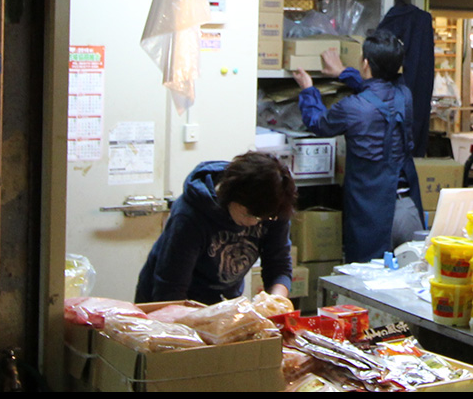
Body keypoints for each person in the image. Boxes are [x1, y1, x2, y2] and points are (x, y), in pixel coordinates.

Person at [292, 30, 426, 264]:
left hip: (371, 214)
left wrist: (308, 90)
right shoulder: (404, 96)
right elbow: (377, 90)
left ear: (365, 63)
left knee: (366, 286)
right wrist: (344, 73)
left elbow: (319, 123)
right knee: (407, 285)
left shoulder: (352, 107)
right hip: (408, 210)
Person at [134, 151, 297, 305]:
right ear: (232, 195)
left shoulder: (273, 208)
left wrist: (275, 301)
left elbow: (279, 266)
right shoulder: (190, 215)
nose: (254, 223)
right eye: (249, 215)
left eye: (262, 218)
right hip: (172, 301)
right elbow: (170, 291)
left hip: (223, 302)